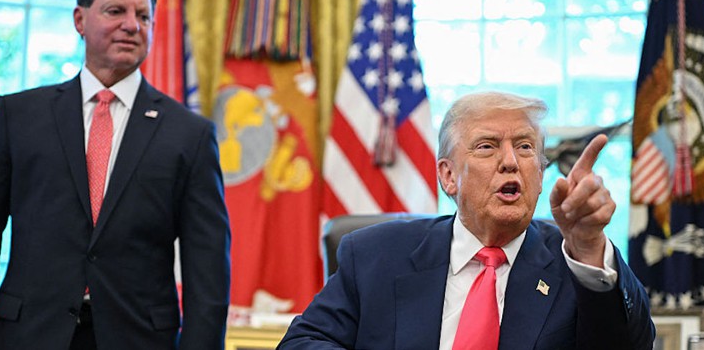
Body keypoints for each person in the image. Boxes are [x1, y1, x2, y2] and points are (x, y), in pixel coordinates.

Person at [0, 0, 230, 350]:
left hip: (139, 339)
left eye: (143, 16)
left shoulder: (189, 135)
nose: (132, 25)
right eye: (116, 11)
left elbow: (208, 267)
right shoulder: (18, 116)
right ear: (80, 19)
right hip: (27, 335)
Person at [279, 92, 655, 349]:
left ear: (540, 173)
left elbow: (629, 345)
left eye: (525, 147)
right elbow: (302, 343)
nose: (511, 161)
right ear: (448, 176)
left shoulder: (577, 263)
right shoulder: (375, 255)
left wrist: (588, 247)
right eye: (488, 146)